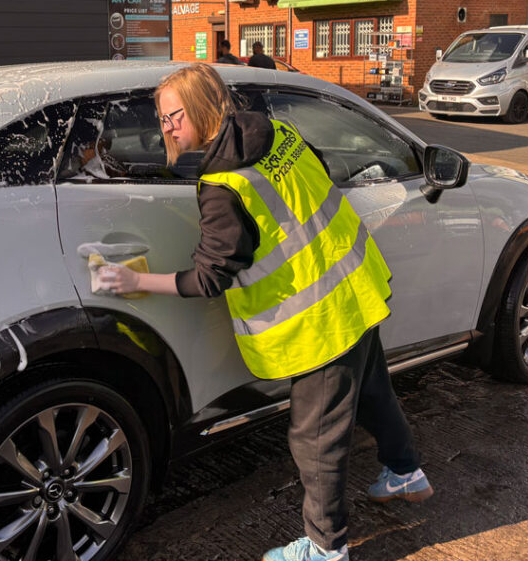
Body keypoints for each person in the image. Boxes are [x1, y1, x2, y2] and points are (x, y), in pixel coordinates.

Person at [99, 64, 431, 561]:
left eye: (172, 116)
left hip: (317, 321)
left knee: (314, 439)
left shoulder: (222, 186)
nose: (164, 127)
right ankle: (405, 472)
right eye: (161, 119)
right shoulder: (278, 131)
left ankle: (326, 548)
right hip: (353, 288)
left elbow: (211, 276)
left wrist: (135, 281)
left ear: (203, 108)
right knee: (373, 392)